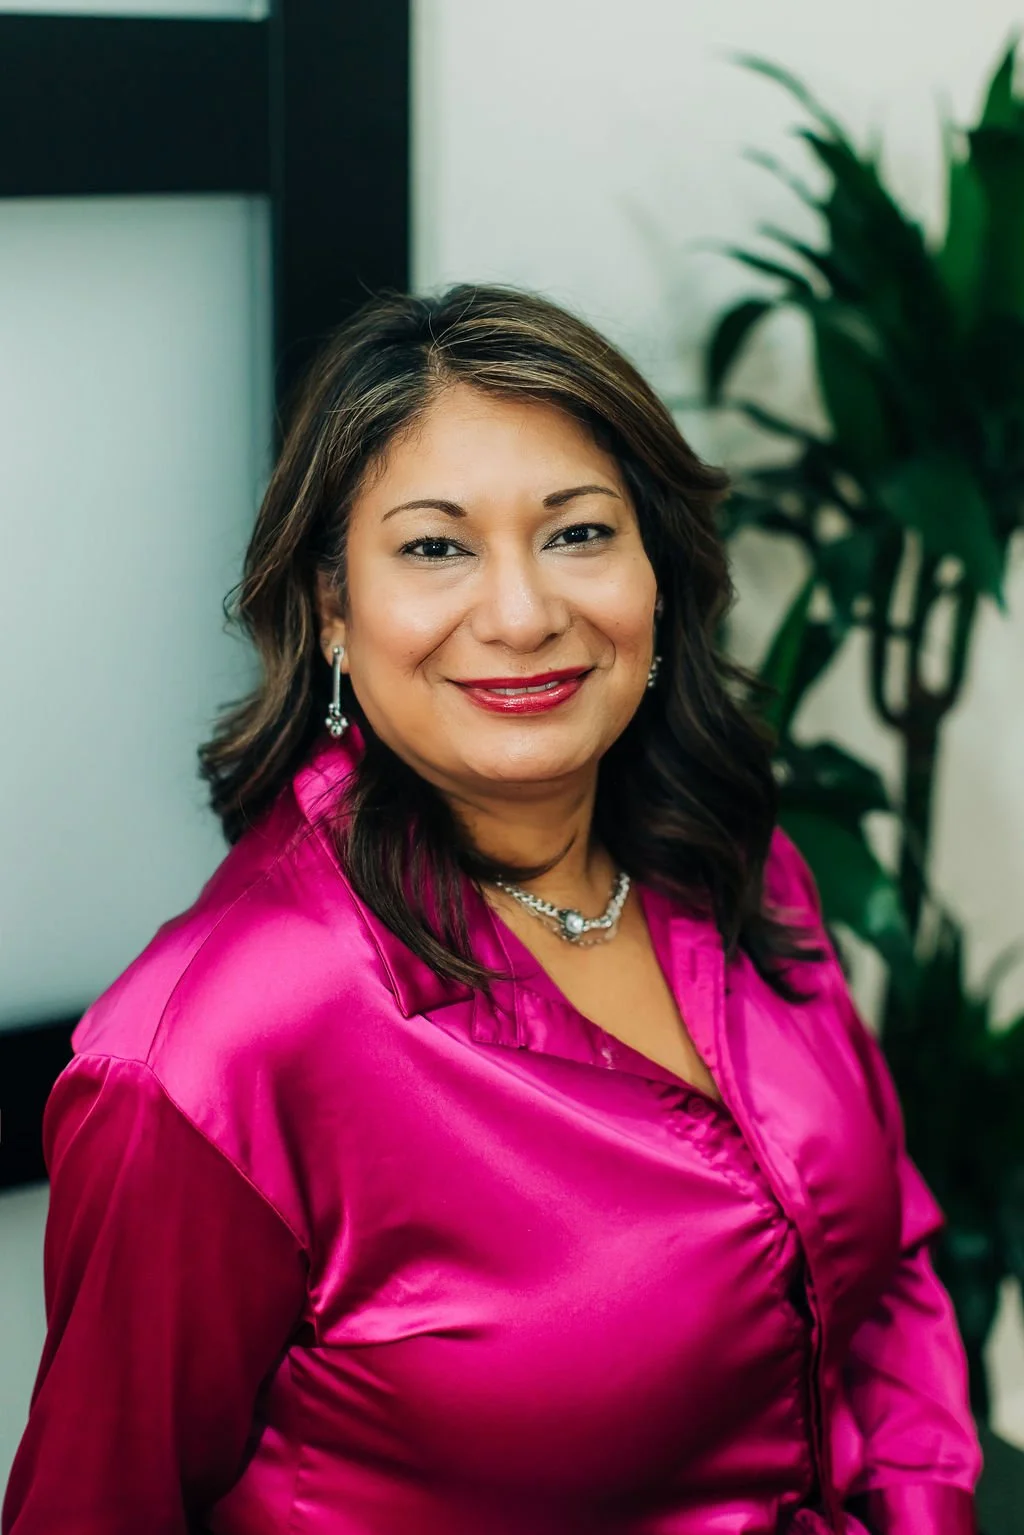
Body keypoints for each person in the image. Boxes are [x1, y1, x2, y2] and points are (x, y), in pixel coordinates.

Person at [3, 285, 981, 1535]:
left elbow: (887, 1267)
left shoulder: (736, 859)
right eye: (434, 547)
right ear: (331, 608)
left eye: (578, 533)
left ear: (658, 579)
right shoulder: (207, 1055)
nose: (522, 614)